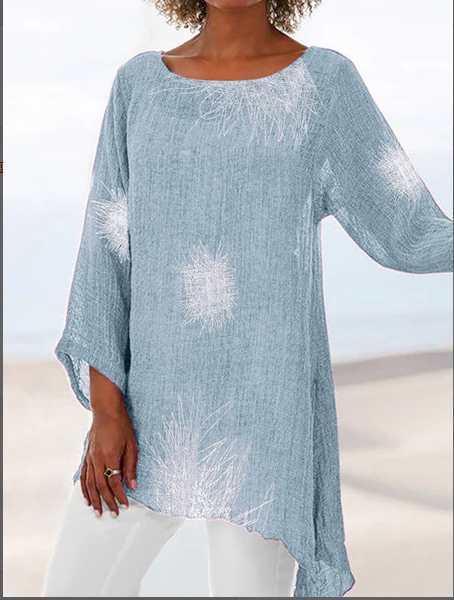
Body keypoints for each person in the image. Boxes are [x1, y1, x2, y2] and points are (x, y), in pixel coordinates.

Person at [43, 0, 453, 596]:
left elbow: (407, 228)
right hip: (147, 415)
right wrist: (107, 411)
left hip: (267, 419)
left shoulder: (325, 84)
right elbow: (107, 247)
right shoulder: (139, 86)